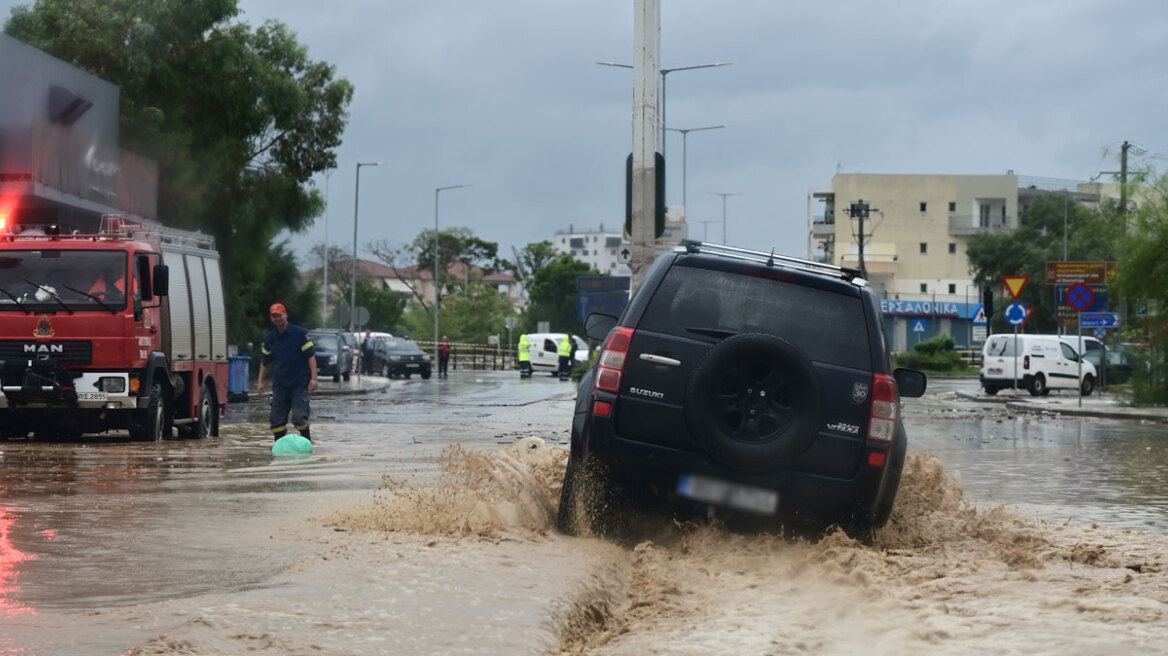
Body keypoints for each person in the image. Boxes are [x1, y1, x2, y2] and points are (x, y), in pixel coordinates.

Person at [256, 302, 318, 441]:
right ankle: (279, 446)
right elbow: (265, 361)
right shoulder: (270, 338)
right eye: (274, 316)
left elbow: (311, 356)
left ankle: (307, 440)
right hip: (280, 384)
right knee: (276, 420)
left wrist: (314, 378)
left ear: (286, 315)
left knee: (299, 416)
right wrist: (260, 381)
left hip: (299, 383)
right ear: (271, 319)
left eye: (279, 315)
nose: (277, 319)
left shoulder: (300, 334)